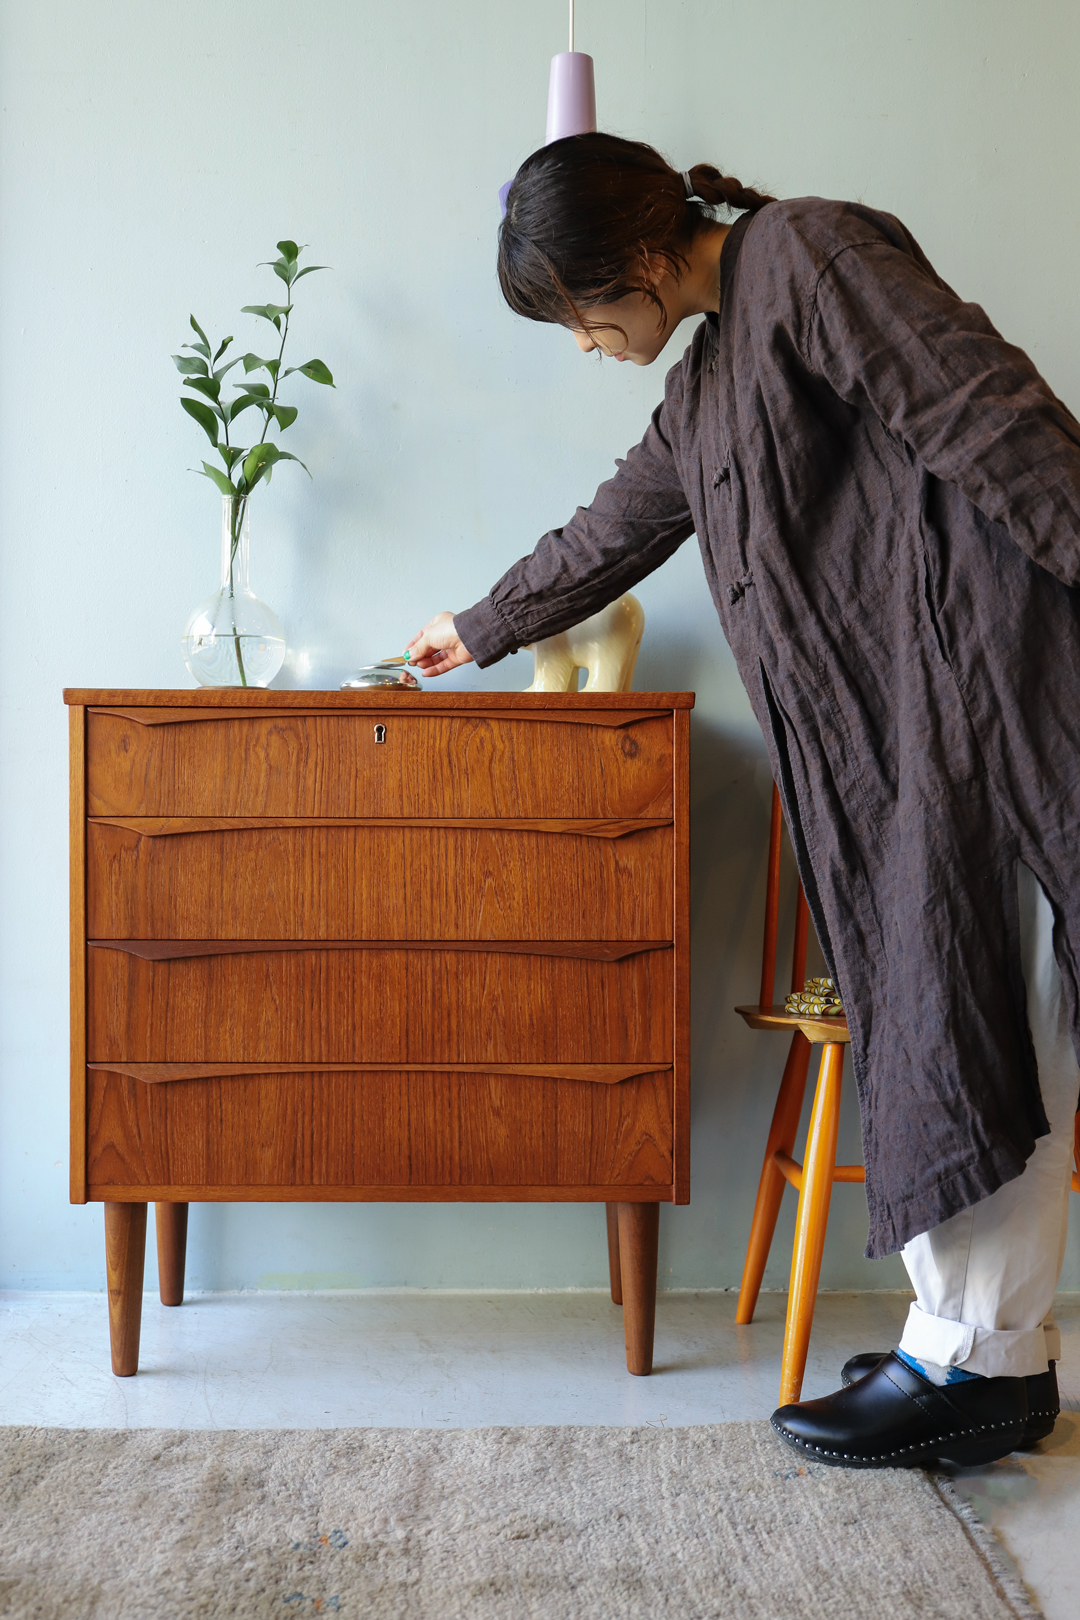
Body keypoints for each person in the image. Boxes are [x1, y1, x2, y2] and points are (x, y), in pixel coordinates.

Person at [406, 132, 1080, 1469]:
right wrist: (473, 629)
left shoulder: (811, 253)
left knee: (994, 1004)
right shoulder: (711, 381)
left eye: (581, 317)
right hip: (915, 734)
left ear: (644, 261)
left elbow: (981, 412)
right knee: (958, 1004)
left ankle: (983, 1360)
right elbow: (617, 527)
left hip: (993, 686)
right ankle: (968, 1348)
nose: (586, 345)